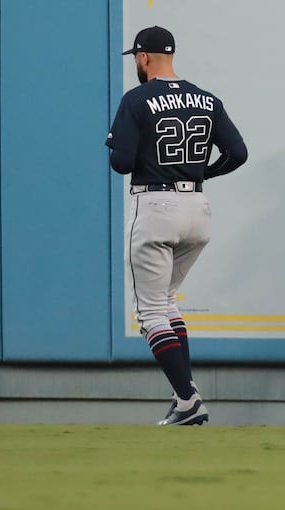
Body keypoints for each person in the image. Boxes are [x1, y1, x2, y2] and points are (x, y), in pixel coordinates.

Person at [106, 25, 248, 427]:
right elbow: (238, 153)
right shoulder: (206, 98)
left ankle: (187, 398)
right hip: (197, 206)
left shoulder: (136, 99)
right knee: (166, 302)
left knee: (150, 312)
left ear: (143, 57)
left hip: (154, 204)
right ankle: (183, 394)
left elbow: (120, 163)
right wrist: (200, 173)